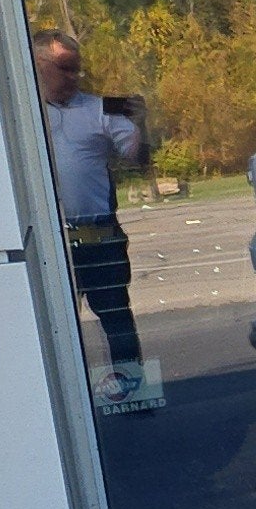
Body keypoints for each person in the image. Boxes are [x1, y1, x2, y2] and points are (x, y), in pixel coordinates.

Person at [35, 30, 155, 408]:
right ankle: (59, 405)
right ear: (38, 66)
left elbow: (137, 158)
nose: (74, 77)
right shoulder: (19, 113)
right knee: (49, 325)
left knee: (116, 316)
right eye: (64, 69)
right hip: (47, 241)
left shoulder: (101, 109)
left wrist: (142, 126)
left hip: (97, 234)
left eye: (77, 70)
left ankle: (133, 398)